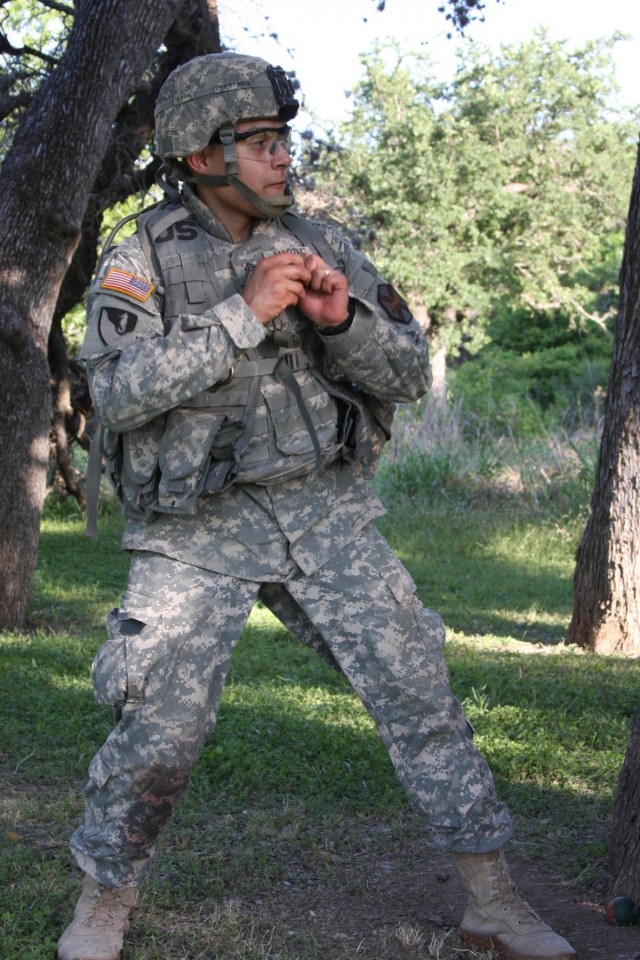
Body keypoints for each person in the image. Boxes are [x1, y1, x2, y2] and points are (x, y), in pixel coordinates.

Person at [56, 52, 576, 960]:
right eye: (258, 142)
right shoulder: (140, 257)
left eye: (283, 139)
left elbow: (410, 373)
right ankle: (104, 904)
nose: (281, 157)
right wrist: (242, 313)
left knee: (420, 692)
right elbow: (119, 394)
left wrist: (344, 323)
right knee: (159, 729)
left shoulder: (326, 242)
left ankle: (493, 899)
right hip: (194, 532)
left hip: (325, 515)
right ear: (201, 153)